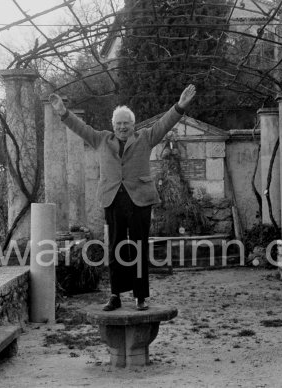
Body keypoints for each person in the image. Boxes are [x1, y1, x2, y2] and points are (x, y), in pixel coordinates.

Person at [49, 84, 196, 311]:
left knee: (138, 247)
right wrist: (63, 113)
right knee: (115, 247)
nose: (122, 127)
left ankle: (140, 296)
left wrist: (180, 106)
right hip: (113, 200)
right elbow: (80, 128)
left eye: (126, 123)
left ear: (133, 125)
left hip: (140, 201)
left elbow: (164, 123)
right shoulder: (101, 139)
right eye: (118, 124)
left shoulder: (145, 138)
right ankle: (115, 295)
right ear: (113, 125)